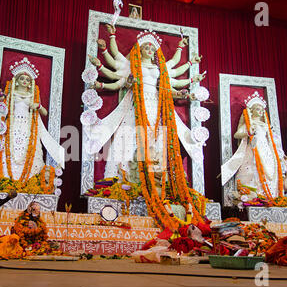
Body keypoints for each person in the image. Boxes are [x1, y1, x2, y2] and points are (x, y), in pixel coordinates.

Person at [85, 25, 208, 228]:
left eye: (153, 47)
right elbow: (115, 75)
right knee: (127, 145)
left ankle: (158, 185)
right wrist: (103, 59)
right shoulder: (131, 66)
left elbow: (176, 72)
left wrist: (190, 70)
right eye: (146, 47)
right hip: (136, 112)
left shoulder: (162, 69)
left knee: (157, 148)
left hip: (158, 112)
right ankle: (124, 184)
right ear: (140, 49)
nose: (150, 50)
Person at [0, 57, 64, 183]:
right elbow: (4, 110)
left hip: (29, 128)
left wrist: (38, 106)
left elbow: (45, 113)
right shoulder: (11, 94)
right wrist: (1, 99)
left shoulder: (34, 95)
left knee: (28, 152)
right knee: (8, 151)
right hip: (12, 126)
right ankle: (5, 179)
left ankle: (28, 181)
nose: (24, 81)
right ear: (17, 81)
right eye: (22, 78)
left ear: (30, 83)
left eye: (27, 79)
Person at [221, 92, 287, 200]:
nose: (260, 111)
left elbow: (274, 141)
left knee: (269, 171)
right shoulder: (250, 124)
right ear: (252, 111)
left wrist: (280, 154)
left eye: (261, 110)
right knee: (253, 170)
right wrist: (248, 133)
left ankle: (270, 195)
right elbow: (237, 134)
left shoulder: (266, 125)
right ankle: (254, 195)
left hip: (267, 151)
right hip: (253, 150)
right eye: (257, 109)